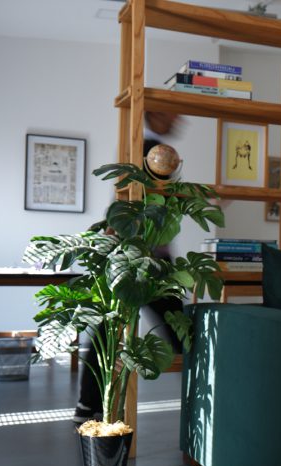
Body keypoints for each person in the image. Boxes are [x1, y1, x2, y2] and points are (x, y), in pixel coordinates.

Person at [73, 112, 185, 423]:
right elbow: (148, 203)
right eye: (173, 116)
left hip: (136, 253)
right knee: (179, 330)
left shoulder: (140, 149)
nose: (178, 121)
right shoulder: (151, 151)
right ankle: (204, 392)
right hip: (144, 257)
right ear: (154, 116)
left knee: (108, 330)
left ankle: (86, 407)